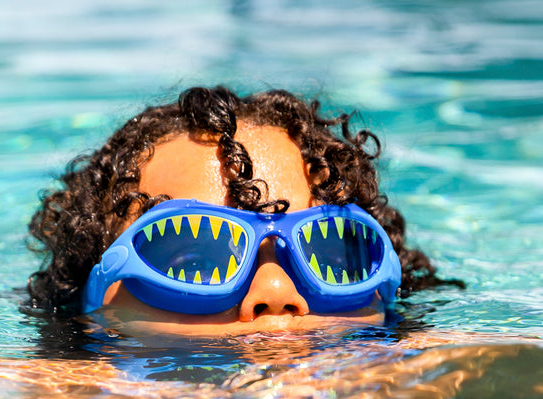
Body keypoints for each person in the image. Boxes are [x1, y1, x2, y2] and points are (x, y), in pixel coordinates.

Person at [27, 86, 461, 337]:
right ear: (90, 292)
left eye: (330, 257)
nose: (275, 294)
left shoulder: (443, 377)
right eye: (195, 261)